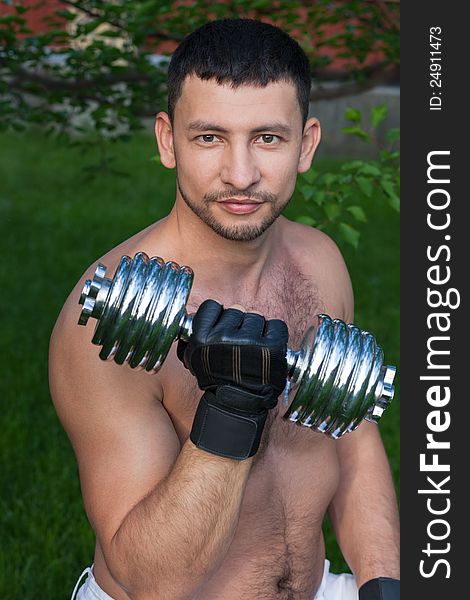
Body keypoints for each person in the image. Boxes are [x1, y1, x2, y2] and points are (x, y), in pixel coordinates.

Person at [49, 18, 400, 600]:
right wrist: (231, 414)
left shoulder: (319, 263)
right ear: (168, 141)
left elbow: (350, 432)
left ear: (306, 144)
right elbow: (150, 581)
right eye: (209, 137)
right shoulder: (106, 318)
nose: (241, 175)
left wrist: (381, 579)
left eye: (268, 138)